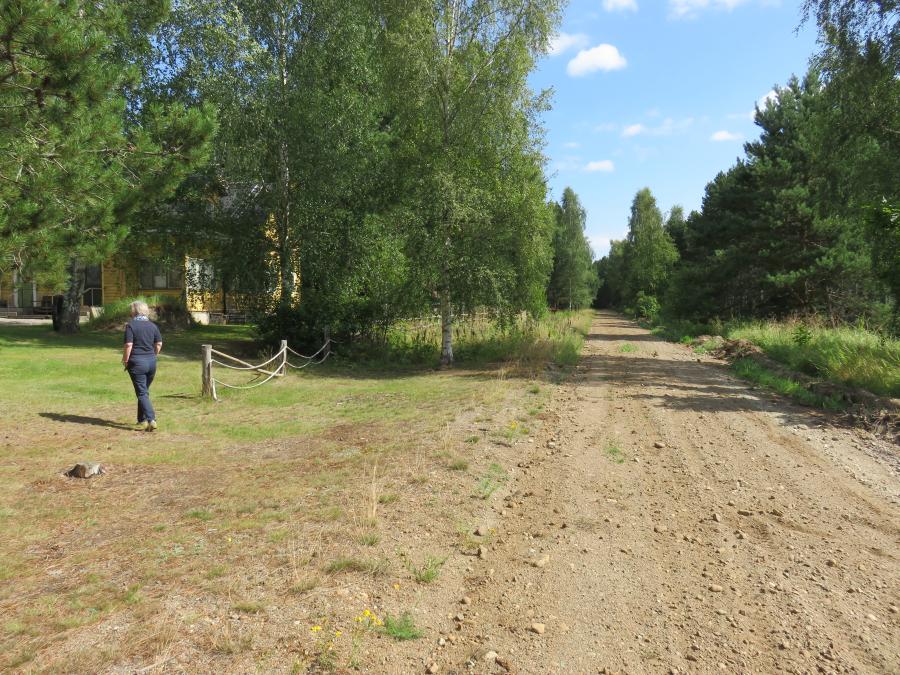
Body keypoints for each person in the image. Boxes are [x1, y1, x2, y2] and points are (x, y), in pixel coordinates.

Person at [122, 301, 162, 431]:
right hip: (151, 363)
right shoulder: (153, 326)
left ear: (134, 311)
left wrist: (125, 360)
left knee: (142, 392)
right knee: (143, 391)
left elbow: (129, 345)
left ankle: (151, 419)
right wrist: (153, 355)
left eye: (131, 310)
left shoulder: (131, 326)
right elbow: (159, 344)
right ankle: (141, 419)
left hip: (137, 362)